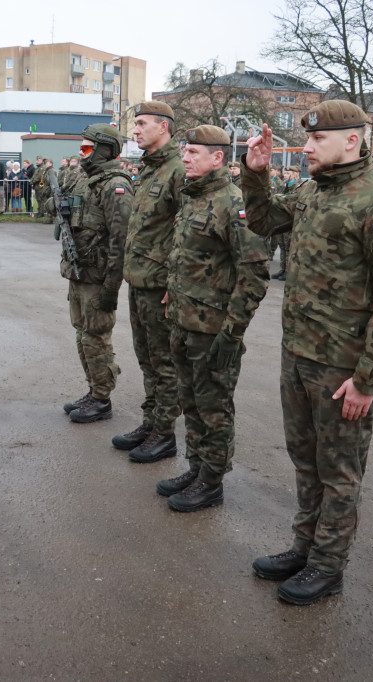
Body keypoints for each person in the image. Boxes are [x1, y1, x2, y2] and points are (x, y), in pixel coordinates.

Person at [243, 101, 373, 605]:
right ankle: (305, 548)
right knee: (306, 460)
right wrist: (254, 174)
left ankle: (328, 565)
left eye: (318, 140)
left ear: (352, 140)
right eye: (307, 139)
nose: (307, 147)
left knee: (339, 470)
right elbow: (261, 221)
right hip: (298, 354)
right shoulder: (309, 193)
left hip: (342, 366)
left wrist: (367, 378)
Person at [158, 125, 269, 512]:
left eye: (192, 152)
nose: (184, 158)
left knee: (214, 407)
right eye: (184, 151)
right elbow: (190, 256)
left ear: (217, 157)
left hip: (213, 329)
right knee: (189, 399)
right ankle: (196, 466)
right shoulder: (194, 197)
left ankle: (212, 481)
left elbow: (254, 274)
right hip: (183, 320)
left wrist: (232, 333)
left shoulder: (232, 203)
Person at [112, 102, 185, 464]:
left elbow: (185, 233)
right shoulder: (149, 169)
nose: (136, 130)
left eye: (142, 124)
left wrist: (176, 282)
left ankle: (165, 433)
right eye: (135, 124)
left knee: (164, 361)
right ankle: (151, 421)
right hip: (139, 279)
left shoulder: (179, 170)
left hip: (160, 285)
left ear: (164, 127)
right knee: (147, 359)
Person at [61, 124, 133, 424]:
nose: (82, 152)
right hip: (80, 271)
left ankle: (102, 398)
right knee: (83, 333)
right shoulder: (87, 180)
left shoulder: (115, 185)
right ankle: (93, 390)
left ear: (104, 149)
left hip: (99, 276)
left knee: (97, 337)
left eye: (88, 148)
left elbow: (121, 239)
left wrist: (111, 288)